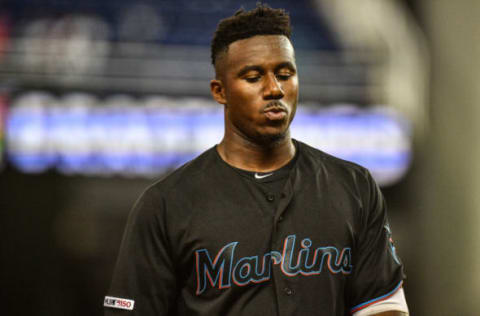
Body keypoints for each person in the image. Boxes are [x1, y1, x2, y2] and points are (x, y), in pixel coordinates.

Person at [104, 4, 409, 316]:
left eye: (284, 74)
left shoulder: (354, 186)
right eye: (253, 77)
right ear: (219, 91)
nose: (274, 89)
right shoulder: (166, 204)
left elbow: (384, 307)